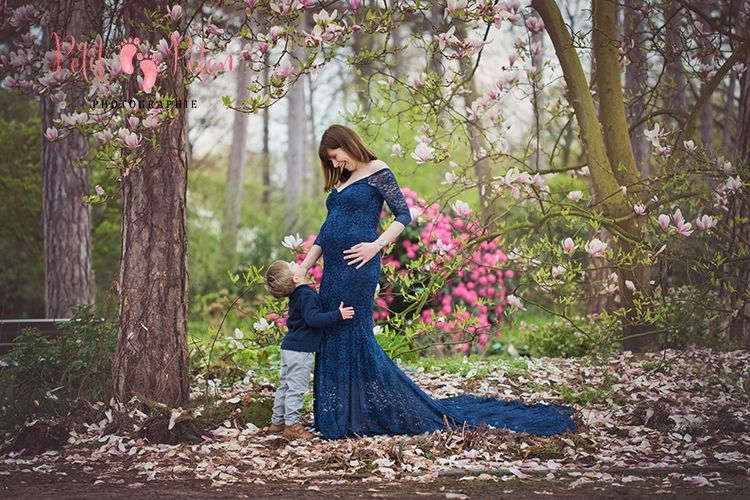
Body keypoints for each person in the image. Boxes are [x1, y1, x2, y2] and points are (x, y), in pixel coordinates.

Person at [300, 124, 576, 439]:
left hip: (360, 267)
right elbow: (327, 229)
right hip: (333, 269)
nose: (335, 165)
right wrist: (305, 266)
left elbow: (403, 214)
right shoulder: (343, 181)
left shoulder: (378, 171)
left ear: (348, 144)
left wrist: (376, 245)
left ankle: (365, 412)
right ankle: (341, 414)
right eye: (331, 162)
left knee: (354, 333)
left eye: (336, 157)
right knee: (331, 332)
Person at [264, 259, 355, 440]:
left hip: (290, 347)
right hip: (300, 350)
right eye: (291, 265)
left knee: (285, 386)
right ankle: (291, 425)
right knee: (295, 389)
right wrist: (338, 315)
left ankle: (277, 422)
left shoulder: (299, 294)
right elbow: (313, 319)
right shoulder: (306, 295)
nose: (293, 262)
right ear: (295, 279)